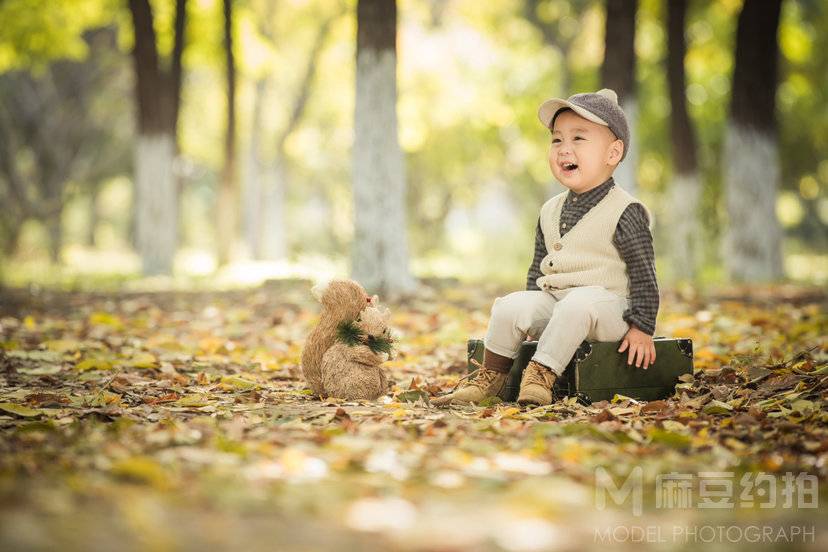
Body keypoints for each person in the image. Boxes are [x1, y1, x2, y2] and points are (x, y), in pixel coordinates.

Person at [434, 88, 659, 407]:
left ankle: (540, 375)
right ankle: (491, 378)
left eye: (579, 139)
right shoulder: (549, 210)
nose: (564, 149)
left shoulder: (625, 210)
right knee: (511, 305)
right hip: (564, 306)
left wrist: (642, 327)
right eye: (557, 140)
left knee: (579, 302)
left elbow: (644, 275)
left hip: (612, 311)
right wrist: (528, 313)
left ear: (613, 153)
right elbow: (540, 266)